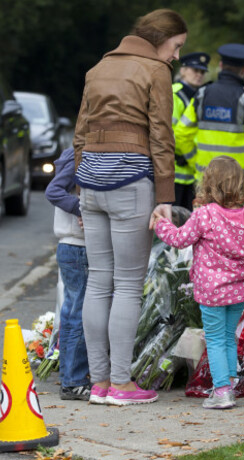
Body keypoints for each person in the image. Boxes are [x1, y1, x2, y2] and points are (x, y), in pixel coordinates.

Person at [72, 8, 187, 406]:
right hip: (130, 182)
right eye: (176, 47)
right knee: (126, 285)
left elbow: (80, 134)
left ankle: (99, 382)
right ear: (161, 40)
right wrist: (166, 198)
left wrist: (81, 183)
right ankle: (121, 383)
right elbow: (161, 135)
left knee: (98, 281)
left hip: (91, 183)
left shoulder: (98, 68)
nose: (175, 56)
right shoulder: (155, 71)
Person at [152, 156, 244, 409]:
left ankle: (222, 391)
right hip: (239, 291)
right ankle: (228, 384)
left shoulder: (205, 215)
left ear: (209, 185)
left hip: (212, 292)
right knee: (228, 337)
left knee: (215, 339)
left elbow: (179, 238)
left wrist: (161, 225)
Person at [174, 43, 244, 198]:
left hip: (206, 181)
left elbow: (181, 134)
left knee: (206, 222)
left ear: (221, 66)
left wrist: (194, 161)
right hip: (242, 183)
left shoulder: (202, 95)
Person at [45, 147, 90, 401]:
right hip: (76, 246)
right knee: (77, 313)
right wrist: (80, 208)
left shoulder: (76, 153)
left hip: (73, 246)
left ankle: (72, 377)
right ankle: (73, 380)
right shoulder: (78, 155)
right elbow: (53, 191)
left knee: (74, 311)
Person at [172, 52, 210, 210]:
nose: (199, 75)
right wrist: (183, 154)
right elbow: (169, 130)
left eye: (202, 72)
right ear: (182, 71)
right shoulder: (175, 93)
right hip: (175, 168)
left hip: (193, 170)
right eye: (195, 70)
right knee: (172, 219)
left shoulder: (201, 95)